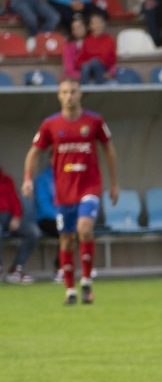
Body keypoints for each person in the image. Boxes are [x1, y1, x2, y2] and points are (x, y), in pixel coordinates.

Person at [22, 78, 119, 305]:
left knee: (84, 229)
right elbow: (34, 152)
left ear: (80, 93)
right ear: (58, 95)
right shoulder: (50, 125)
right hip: (64, 191)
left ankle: (86, 280)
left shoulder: (94, 121)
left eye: (73, 91)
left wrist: (114, 183)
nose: (69, 96)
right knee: (65, 239)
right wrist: (28, 179)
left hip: (89, 186)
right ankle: (69, 290)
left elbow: (109, 150)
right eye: (64, 92)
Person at [0, 164, 39, 284]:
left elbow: (16, 201)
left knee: (33, 232)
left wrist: (16, 217)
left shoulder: (6, 179)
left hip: (8, 217)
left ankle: (16, 269)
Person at [76, 12, 117, 84]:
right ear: (90, 27)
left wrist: (110, 71)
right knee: (86, 67)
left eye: (100, 22)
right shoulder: (87, 40)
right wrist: (87, 63)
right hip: (88, 68)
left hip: (103, 67)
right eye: (94, 23)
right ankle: (83, 89)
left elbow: (112, 58)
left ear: (104, 24)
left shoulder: (109, 39)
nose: (98, 25)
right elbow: (80, 58)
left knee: (95, 62)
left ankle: (100, 87)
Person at [61, 15, 86, 82]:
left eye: (79, 27)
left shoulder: (92, 42)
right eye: (74, 28)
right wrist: (84, 76)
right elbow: (69, 69)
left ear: (85, 27)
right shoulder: (68, 47)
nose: (77, 30)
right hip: (74, 79)